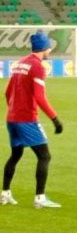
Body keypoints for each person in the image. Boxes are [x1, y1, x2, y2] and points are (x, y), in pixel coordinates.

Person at [2, 31, 63, 209]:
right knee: (44, 156)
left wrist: (14, 110)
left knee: (16, 154)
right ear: (45, 48)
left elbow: (7, 92)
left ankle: (5, 194)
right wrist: (55, 119)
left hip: (12, 118)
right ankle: (40, 198)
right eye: (49, 48)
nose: (50, 51)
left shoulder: (20, 63)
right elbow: (40, 97)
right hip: (26, 119)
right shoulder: (37, 66)